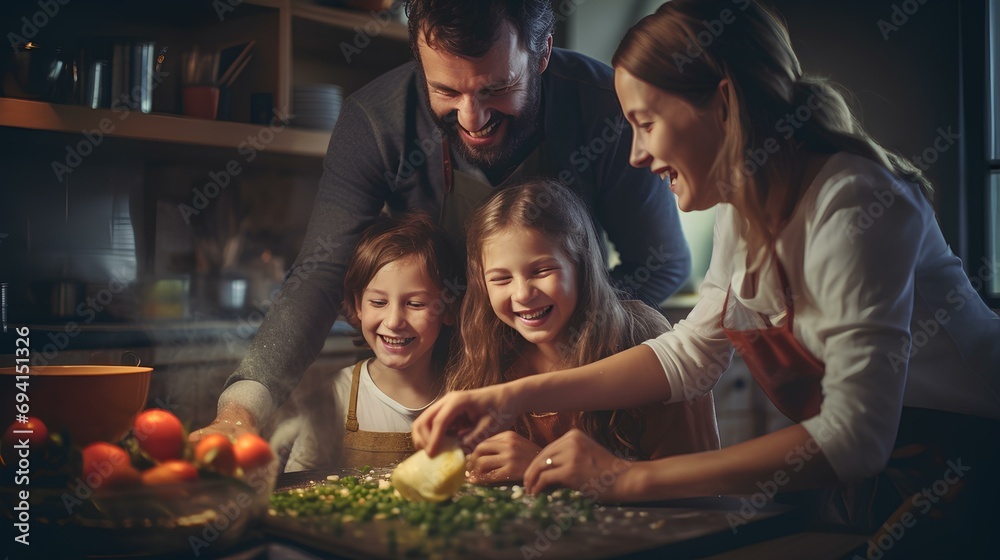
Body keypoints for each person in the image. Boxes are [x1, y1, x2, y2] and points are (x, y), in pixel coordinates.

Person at [412, 1, 1000, 556]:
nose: (637, 154)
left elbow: (855, 439)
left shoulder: (853, 203)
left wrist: (625, 479)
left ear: (722, 102)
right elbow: (692, 355)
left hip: (972, 466)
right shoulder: (742, 213)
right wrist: (509, 397)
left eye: (645, 123)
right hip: (892, 481)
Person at [192, 0, 691, 443]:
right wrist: (242, 409)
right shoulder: (375, 122)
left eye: (497, 88)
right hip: (447, 382)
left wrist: (558, 340)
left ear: (542, 55)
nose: (472, 118)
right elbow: (320, 276)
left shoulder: (606, 106)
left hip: (580, 379)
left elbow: (662, 263)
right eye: (446, 91)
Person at [451, 179, 718, 484]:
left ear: (581, 265)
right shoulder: (489, 356)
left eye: (542, 271)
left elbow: (695, 486)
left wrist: (541, 464)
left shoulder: (644, 340)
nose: (522, 293)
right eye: (500, 279)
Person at [282, 213, 462, 471]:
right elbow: (298, 486)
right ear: (358, 305)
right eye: (378, 302)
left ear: (448, 309)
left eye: (415, 304)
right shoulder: (335, 395)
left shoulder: (468, 389)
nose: (394, 321)